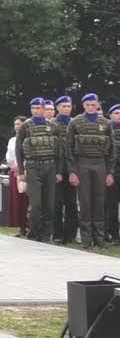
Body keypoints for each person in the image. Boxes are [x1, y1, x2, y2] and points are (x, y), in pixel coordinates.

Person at [66, 93, 115, 249]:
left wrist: (110, 172)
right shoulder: (75, 122)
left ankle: (99, 239)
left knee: (100, 202)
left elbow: (112, 150)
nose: (90, 107)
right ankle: (86, 239)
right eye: (87, 104)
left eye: (93, 104)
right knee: (85, 202)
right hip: (82, 164)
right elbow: (69, 149)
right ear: (83, 105)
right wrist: (72, 171)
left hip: (100, 164)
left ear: (98, 105)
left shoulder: (106, 123)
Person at [17, 98, 64, 243]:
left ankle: (46, 235)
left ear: (44, 109)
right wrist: (21, 171)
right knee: (36, 205)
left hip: (50, 167)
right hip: (33, 167)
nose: (36, 111)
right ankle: (33, 234)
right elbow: (18, 150)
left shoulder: (53, 126)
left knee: (49, 204)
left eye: (38, 108)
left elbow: (59, 151)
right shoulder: (25, 126)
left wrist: (58, 171)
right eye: (33, 108)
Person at [52, 95, 78, 243]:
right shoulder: (52, 124)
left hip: (72, 168)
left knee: (72, 202)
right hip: (57, 169)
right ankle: (57, 234)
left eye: (69, 106)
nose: (67, 109)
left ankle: (71, 235)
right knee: (57, 202)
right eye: (64, 106)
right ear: (58, 108)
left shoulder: (75, 123)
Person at [108, 104, 120, 244]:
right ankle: (113, 235)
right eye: (116, 113)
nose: (119, 115)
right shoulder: (106, 128)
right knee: (111, 205)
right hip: (112, 171)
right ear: (110, 115)